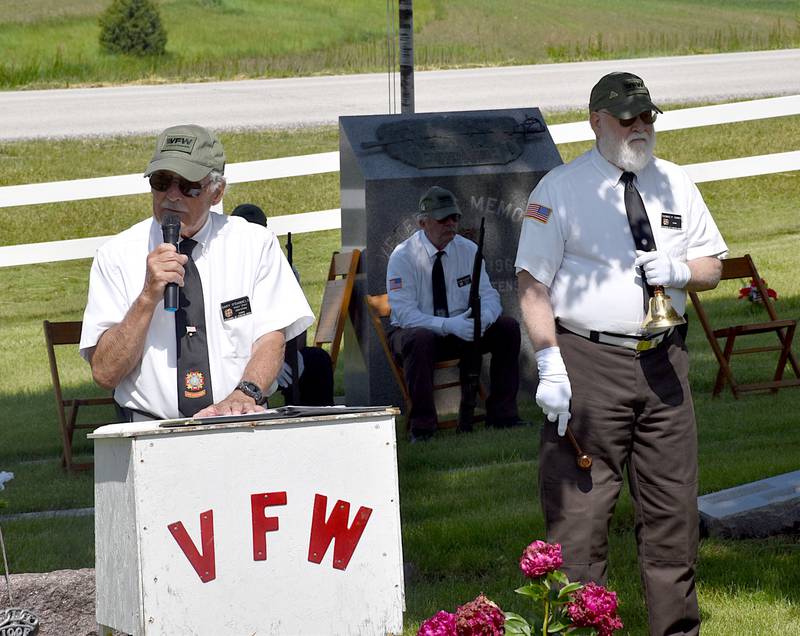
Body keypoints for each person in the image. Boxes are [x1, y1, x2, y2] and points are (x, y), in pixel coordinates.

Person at [515, 72, 728, 636]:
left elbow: (713, 264)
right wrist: (549, 362)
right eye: (627, 118)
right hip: (589, 364)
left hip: (665, 361)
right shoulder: (559, 190)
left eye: (647, 117)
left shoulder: (676, 183)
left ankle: (676, 631)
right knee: (580, 520)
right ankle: (581, 628)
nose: (640, 128)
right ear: (596, 121)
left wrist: (683, 271)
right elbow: (532, 284)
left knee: (673, 515)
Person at [80, 124, 314, 421]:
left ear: (216, 192)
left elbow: (271, 339)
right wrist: (147, 296)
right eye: (162, 181)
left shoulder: (255, 245)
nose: (172, 195)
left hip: (239, 421)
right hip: (150, 431)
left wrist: (246, 393)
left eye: (188, 185)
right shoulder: (116, 255)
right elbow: (105, 373)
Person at [386, 186, 522, 440]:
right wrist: (449, 325)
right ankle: (423, 427)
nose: (451, 224)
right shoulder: (403, 256)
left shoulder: (468, 250)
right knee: (420, 338)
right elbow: (405, 315)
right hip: (419, 335)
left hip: (464, 329)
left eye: (455, 218)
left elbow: (490, 295)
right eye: (443, 219)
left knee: (507, 328)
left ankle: (504, 415)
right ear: (423, 223)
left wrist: (484, 320)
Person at [231, 203, 335, 406]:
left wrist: (283, 357)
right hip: (236, 354)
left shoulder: (281, 266)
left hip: (276, 346)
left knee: (317, 360)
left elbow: (296, 325)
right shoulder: (225, 266)